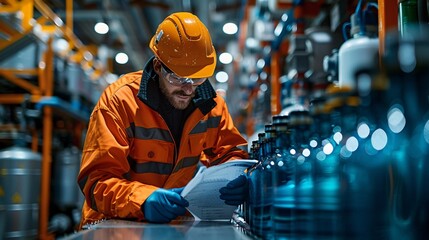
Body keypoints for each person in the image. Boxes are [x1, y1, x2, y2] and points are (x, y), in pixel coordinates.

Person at [77, 12, 249, 228]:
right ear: (158, 67)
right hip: (112, 225)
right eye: (178, 77)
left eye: (197, 78)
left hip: (170, 225)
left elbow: (231, 153)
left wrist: (239, 177)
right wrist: (143, 199)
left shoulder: (212, 106)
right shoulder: (119, 101)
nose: (188, 89)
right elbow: (96, 181)